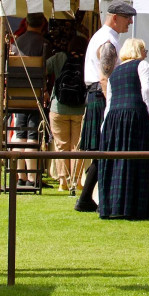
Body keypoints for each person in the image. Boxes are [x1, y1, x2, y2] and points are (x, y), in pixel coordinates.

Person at [74, 2, 135, 212]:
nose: (130, 22)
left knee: (102, 151)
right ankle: (86, 199)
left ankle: (87, 199)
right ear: (115, 17)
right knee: (103, 150)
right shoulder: (107, 40)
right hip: (101, 95)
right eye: (127, 18)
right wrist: (111, 104)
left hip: (97, 95)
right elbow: (104, 77)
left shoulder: (105, 37)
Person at [98, 38, 149, 220]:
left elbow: (109, 101)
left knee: (117, 160)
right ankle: (134, 207)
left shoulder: (114, 73)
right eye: (144, 50)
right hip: (134, 116)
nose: (146, 54)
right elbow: (147, 90)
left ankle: (114, 206)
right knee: (136, 158)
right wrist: (148, 110)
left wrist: (104, 125)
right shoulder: (142, 65)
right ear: (138, 51)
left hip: (113, 119)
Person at [45, 35, 88, 191]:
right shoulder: (87, 59)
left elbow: (43, 68)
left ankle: (63, 181)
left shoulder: (59, 58)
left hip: (58, 107)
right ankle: (76, 181)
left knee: (61, 145)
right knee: (77, 146)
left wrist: (46, 89)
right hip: (80, 108)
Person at [11, 12, 46, 188]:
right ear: (42, 24)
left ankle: (21, 176)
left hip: (17, 93)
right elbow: (44, 69)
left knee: (19, 133)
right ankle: (33, 178)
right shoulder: (43, 43)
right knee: (32, 134)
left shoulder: (17, 42)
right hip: (35, 94)